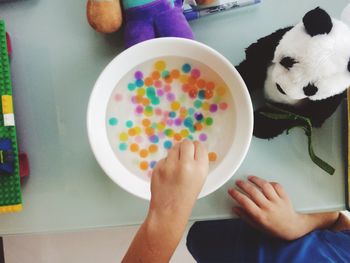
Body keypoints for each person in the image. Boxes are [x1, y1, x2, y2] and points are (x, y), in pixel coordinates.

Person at [122, 141, 350, 263]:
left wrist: (169, 211)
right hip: (233, 216)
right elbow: (338, 224)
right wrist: (297, 224)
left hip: (203, 238)